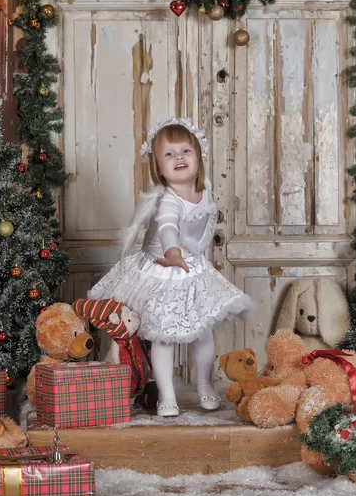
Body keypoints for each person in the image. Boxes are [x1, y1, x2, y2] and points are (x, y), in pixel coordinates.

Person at [87, 118, 253, 417]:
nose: (179, 157)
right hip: (162, 267)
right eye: (169, 154)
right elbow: (167, 228)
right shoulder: (168, 200)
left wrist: (188, 255)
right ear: (158, 168)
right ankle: (166, 394)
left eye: (185, 151)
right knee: (162, 334)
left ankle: (204, 384)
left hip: (192, 269)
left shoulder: (206, 191)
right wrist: (173, 251)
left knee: (202, 331)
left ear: (198, 157)